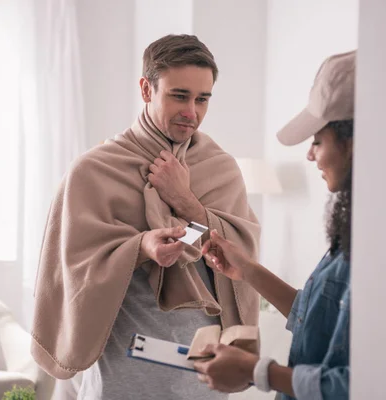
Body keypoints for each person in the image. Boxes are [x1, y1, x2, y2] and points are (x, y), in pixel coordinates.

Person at [31, 34, 261, 400]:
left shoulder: (221, 169)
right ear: (146, 88)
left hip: (202, 363)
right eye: (179, 95)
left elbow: (241, 253)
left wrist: (185, 200)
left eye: (203, 99)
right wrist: (140, 247)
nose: (192, 112)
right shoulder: (93, 170)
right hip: (123, 359)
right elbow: (69, 266)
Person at [194, 50, 356, 400]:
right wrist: (247, 269)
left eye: (317, 141)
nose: (311, 155)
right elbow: (315, 318)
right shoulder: (353, 231)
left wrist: (256, 372)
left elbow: (354, 385)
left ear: (354, 144)